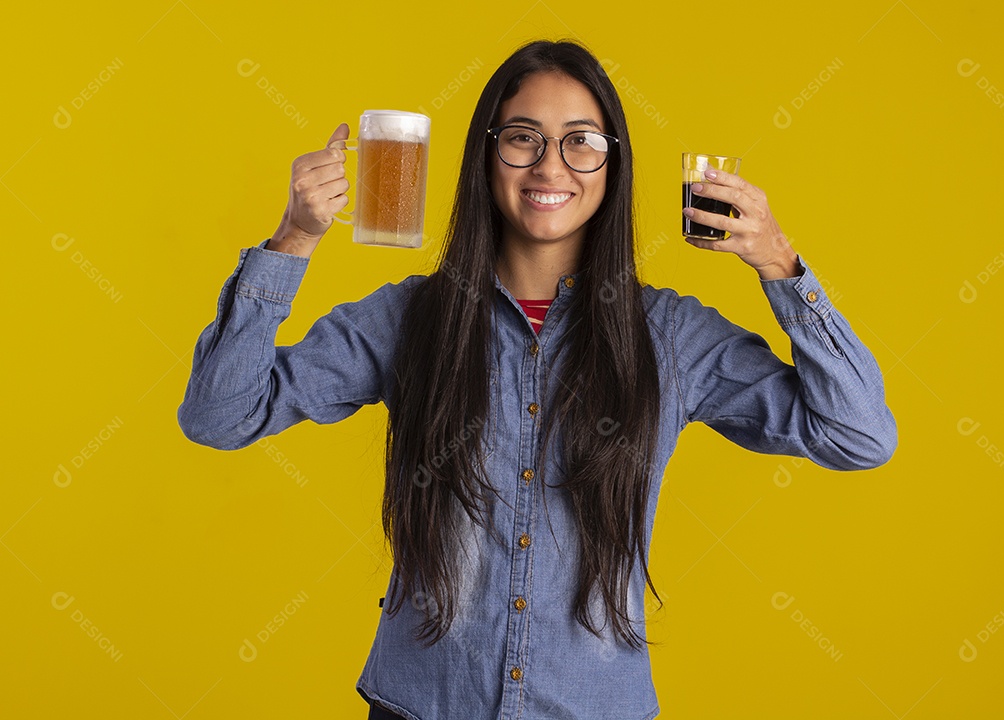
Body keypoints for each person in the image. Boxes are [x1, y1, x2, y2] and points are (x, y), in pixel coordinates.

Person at [178, 39, 896, 720]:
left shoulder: (671, 336)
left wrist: (781, 265)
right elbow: (220, 415)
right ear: (487, 158)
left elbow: (858, 433)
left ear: (613, 165)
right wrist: (293, 239)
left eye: (581, 141)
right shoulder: (408, 317)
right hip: (422, 704)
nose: (551, 166)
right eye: (523, 137)